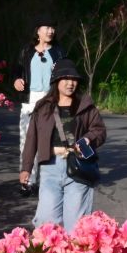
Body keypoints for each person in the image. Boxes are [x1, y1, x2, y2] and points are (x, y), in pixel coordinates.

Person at [20, 59, 107, 233]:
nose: (70, 83)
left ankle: (73, 252)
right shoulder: (43, 107)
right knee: (46, 221)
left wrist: (88, 139)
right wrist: (26, 168)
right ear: (56, 80)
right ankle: (53, 251)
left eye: (74, 79)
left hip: (78, 166)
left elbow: (99, 130)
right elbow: (32, 138)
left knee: (76, 225)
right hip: (50, 168)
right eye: (65, 78)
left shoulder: (85, 105)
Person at [12, 16, 66, 195]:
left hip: (51, 100)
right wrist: (16, 80)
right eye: (47, 27)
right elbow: (17, 69)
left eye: (53, 28)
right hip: (31, 100)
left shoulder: (58, 51)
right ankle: (28, 181)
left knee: (52, 142)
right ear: (38, 30)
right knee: (26, 142)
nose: (51, 31)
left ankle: (50, 182)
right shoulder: (27, 51)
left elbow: (67, 73)